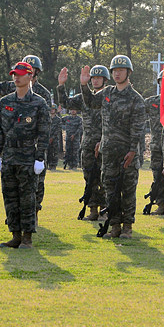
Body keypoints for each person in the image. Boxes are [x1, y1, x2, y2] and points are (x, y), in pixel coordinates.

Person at [80, 56, 147, 239]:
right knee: (110, 190)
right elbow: (91, 103)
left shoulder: (135, 99)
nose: (117, 73)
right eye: (114, 71)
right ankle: (115, 225)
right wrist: (84, 85)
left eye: (121, 70)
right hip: (108, 152)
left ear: (128, 72)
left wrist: (133, 150)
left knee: (127, 190)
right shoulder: (107, 92)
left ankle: (127, 227)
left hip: (127, 153)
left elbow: (138, 129)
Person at [0, 47, 53, 212]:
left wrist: (40, 153)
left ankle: (35, 210)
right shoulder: (11, 86)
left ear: (36, 72)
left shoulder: (43, 94)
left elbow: (44, 124)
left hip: (32, 147)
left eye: (32, 68)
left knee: (37, 182)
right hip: (11, 148)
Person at [0, 61, 49, 249]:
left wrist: (39, 158)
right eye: (14, 74)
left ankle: (27, 237)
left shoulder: (39, 103)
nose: (16, 77)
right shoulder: (5, 101)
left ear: (30, 76)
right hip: (9, 156)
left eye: (21, 74)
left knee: (27, 198)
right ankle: (15, 235)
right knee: (10, 197)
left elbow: (43, 133)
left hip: (27, 157)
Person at [57, 64, 109, 220]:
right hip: (87, 144)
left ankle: (104, 210)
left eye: (99, 78)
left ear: (105, 80)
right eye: (93, 78)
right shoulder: (83, 98)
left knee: (104, 178)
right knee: (89, 177)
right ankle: (92, 210)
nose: (95, 80)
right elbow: (66, 103)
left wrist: (104, 140)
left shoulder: (109, 96)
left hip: (104, 144)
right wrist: (61, 86)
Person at [143, 70, 164, 216]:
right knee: (158, 176)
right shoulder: (151, 102)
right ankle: (161, 205)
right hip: (156, 147)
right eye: (162, 81)